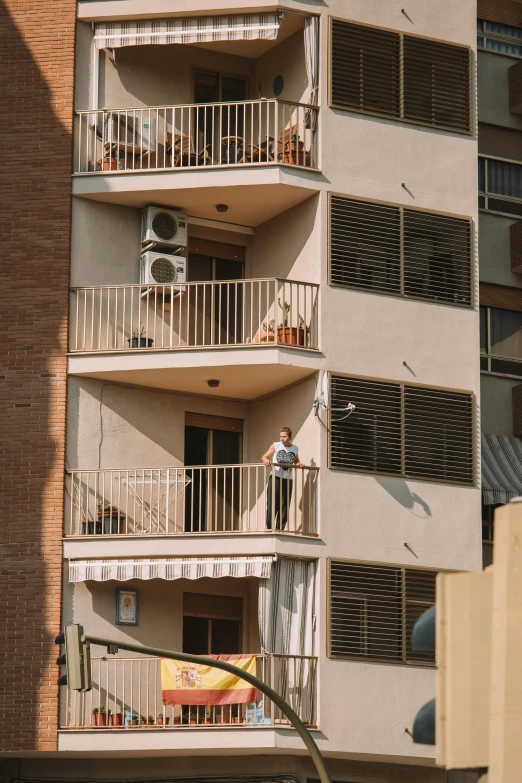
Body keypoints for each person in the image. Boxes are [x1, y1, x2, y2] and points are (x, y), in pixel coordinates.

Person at [262, 427, 302, 530]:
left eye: (284, 436)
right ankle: (269, 528)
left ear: (289, 437)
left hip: (288, 479)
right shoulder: (276, 445)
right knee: (272, 502)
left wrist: (298, 464)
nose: (282, 439)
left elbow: (296, 460)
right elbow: (264, 456)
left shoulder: (294, 449)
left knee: (284, 504)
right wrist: (266, 461)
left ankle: (280, 528)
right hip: (275, 476)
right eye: (280, 436)